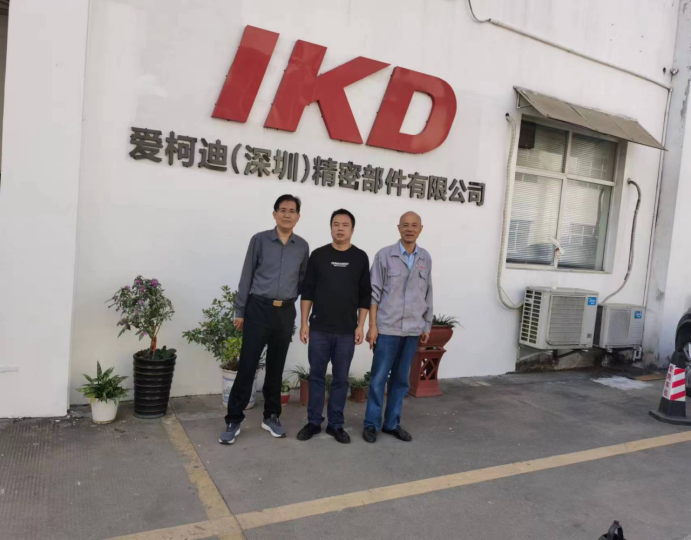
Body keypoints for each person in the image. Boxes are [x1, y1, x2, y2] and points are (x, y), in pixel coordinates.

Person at [220, 194, 309, 445]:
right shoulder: (259, 240)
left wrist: (291, 304)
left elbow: (302, 280)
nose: (287, 214)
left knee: (276, 367)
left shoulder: (302, 246)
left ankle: (271, 416)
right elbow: (247, 275)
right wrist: (240, 310)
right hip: (258, 309)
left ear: (298, 217)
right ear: (274, 214)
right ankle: (233, 419)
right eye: (283, 210)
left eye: (292, 211)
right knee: (247, 365)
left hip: (284, 312)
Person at [297, 209, 371, 444]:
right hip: (319, 328)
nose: (340, 228)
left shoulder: (360, 257)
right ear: (331, 227)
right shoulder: (318, 255)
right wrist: (304, 323)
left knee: (340, 380)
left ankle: (336, 425)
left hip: (346, 331)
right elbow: (307, 291)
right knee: (316, 376)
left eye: (345, 225)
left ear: (352, 229)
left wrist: (361, 326)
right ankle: (313, 422)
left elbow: (365, 295)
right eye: (336, 224)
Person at [363, 211, 433, 443]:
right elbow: (373, 293)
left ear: (420, 229)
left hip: (413, 330)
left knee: (401, 380)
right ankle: (371, 424)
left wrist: (427, 325)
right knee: (378, 378)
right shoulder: (384, 256)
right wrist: (372, 326)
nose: (409, 229)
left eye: (414, 225)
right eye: (405, 225)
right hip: (387, 329)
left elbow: (428, 292)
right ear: (399, 228)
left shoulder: (425, 258)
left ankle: (392, 423)